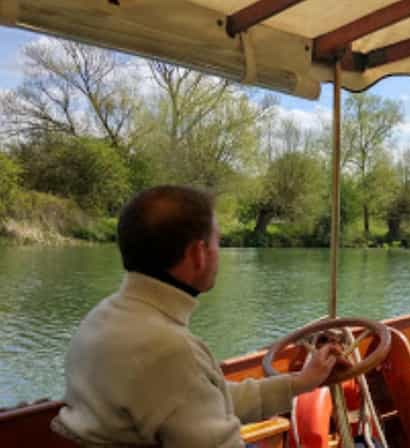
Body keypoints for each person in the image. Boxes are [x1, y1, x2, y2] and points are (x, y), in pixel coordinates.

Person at [51, 186, 342, 447]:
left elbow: (206, 398)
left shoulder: (101, 317)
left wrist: (300, 382)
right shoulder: (171, 352)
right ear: (198, 254)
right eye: (218, 242)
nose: (219, 253)